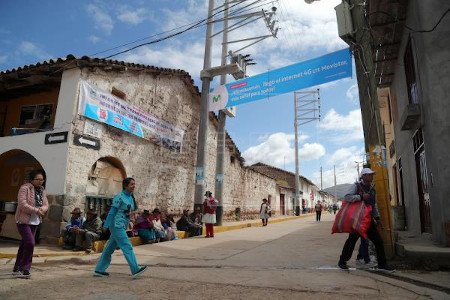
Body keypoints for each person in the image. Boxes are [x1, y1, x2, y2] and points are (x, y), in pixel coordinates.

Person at [338, 168, 394, 272]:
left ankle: (382, 264)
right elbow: (347, 197)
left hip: (368, 220)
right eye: (369, 175)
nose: (371, 177)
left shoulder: (372, 189)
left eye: (372, 175)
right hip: (357, 220)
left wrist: (377, 218)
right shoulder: (356, 186)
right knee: (351, 242)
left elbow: (373, 205)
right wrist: (361, 196)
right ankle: (342, 261)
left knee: (378, 241)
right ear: (363, 176)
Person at [94, 177, 148, 278]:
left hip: (122, 226)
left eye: (134, 184)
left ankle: (99, 269)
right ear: (125, 185)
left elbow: (129, 212)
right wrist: (105, 225)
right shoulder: (119, 197)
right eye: (132, 184)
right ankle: (135, 269)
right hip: (116, 225)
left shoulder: (131, 198)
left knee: (109, 248)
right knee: (127, 246)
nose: (134, 186)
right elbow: (112, 212)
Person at [13, 170, 49, 278]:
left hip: (35, 221)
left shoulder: (42, 190)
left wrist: (42, 209)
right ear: (32, 179)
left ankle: (17, 266)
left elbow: (46, 204)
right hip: (23, 221)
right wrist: (36, 210)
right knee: (30, 243)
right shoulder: (25, 188)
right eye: (38, 179)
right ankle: (25, 268)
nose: (40, 181)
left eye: (42, 179)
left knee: (24, 244)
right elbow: (22, 204)